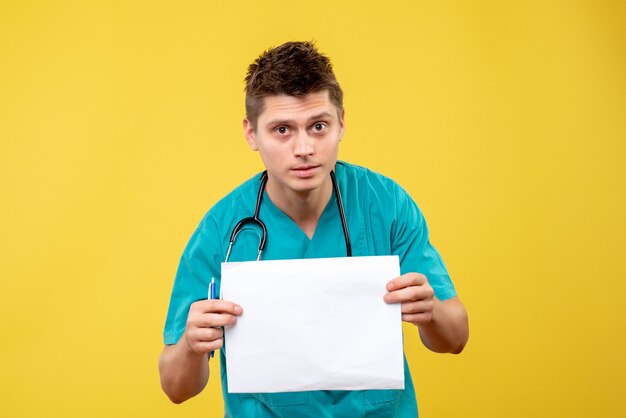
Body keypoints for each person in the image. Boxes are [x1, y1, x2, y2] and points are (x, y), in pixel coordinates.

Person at [159, 41, 469, 417]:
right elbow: (176, 389)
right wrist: (192, 346)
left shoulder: (385, 204)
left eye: (318, 126)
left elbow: (455, 338)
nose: (304, 147)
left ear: (341, 123)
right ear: (251, 134)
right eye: (282, 130)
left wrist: (431, 309)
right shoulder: (221, 229)